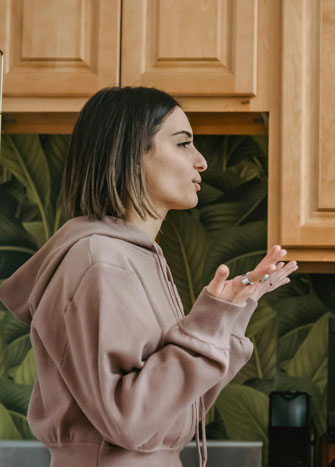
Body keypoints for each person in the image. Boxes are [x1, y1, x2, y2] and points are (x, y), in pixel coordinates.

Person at [0, 86, 297, 467]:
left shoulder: (135, 258)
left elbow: (174, 409)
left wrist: (227, 315)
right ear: (130, 153)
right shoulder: (101, 260)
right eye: (183, 144)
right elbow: (129, 421)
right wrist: (207, 329)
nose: (201, 161)